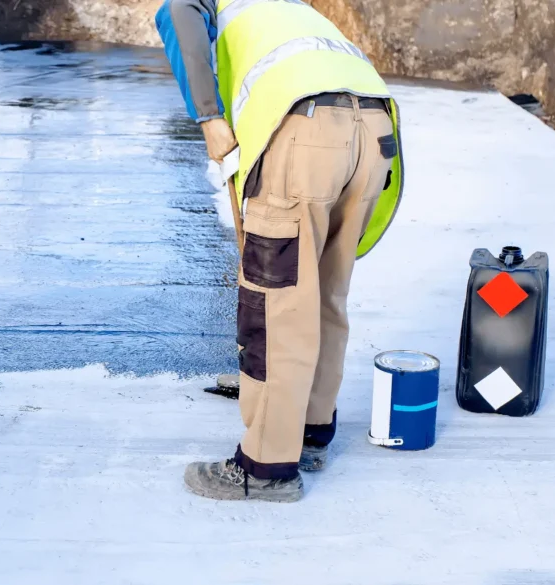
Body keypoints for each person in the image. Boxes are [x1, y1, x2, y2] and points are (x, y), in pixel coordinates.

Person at [155, 0, 405, 502]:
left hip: (308, 134)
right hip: (375, 129)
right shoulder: (285, 9)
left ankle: (266, 466)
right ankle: (310, 431)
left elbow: (178, 12)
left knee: (275, 303)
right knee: (324, 290)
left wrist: (208, 118)